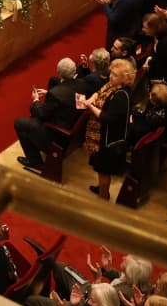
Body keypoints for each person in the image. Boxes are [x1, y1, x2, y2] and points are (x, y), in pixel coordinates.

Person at [14, 57, 82, 172]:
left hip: (59, 136)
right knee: (53, 81)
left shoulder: (56, 94)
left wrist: (35, 101)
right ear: (74, 72)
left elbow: (41, 114)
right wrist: (50, 94)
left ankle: (35, 162)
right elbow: (75, 102)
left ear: (59, 72)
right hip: (75, 132)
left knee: (19, 122)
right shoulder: (83, 84)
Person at [85, 58, 134, 200]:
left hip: (109, 140)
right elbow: (99, 91)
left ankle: (103, 196)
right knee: (100, 169)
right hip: (103, 135)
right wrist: (92, 98)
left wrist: (91, 107)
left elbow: (108, 118)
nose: (111, 77)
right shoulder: (112, 85)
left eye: (115, 75)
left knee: (103, 171)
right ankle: (100, 187)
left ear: (124, 78)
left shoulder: (121, 95)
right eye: (111, 73)